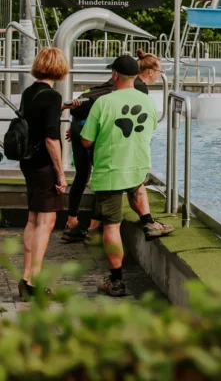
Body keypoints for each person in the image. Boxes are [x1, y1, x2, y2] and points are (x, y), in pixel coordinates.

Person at [80, 55, 168, 297]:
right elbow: (150, 131)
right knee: (136, 187)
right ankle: (149, 222)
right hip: (137, 166)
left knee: (112, 226)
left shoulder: (103, 103)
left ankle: (116, 281)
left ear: (115, 75)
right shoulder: (149, 102)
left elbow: (86, 140)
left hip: (111, 170)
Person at [61, 49, 166, 242]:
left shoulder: (115, 83)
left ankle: (72, 224)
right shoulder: (138, 90)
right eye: (160, 71)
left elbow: (92, 105)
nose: (160, 75)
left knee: (83, 176)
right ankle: (94, 229)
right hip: (92, 131)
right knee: (112, 181)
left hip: (82, 125)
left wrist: (77, 128)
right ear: (149, 71)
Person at [17, 48, 70, 300]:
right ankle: (33, 281)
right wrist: (60, 173)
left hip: (28, 161)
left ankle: (26, 276)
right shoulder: (51, 96)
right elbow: (51, 138)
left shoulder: (30, 93)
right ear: (59, 68)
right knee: (46, 222)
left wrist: (63, 107)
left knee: (33, 219)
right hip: (44, 165)